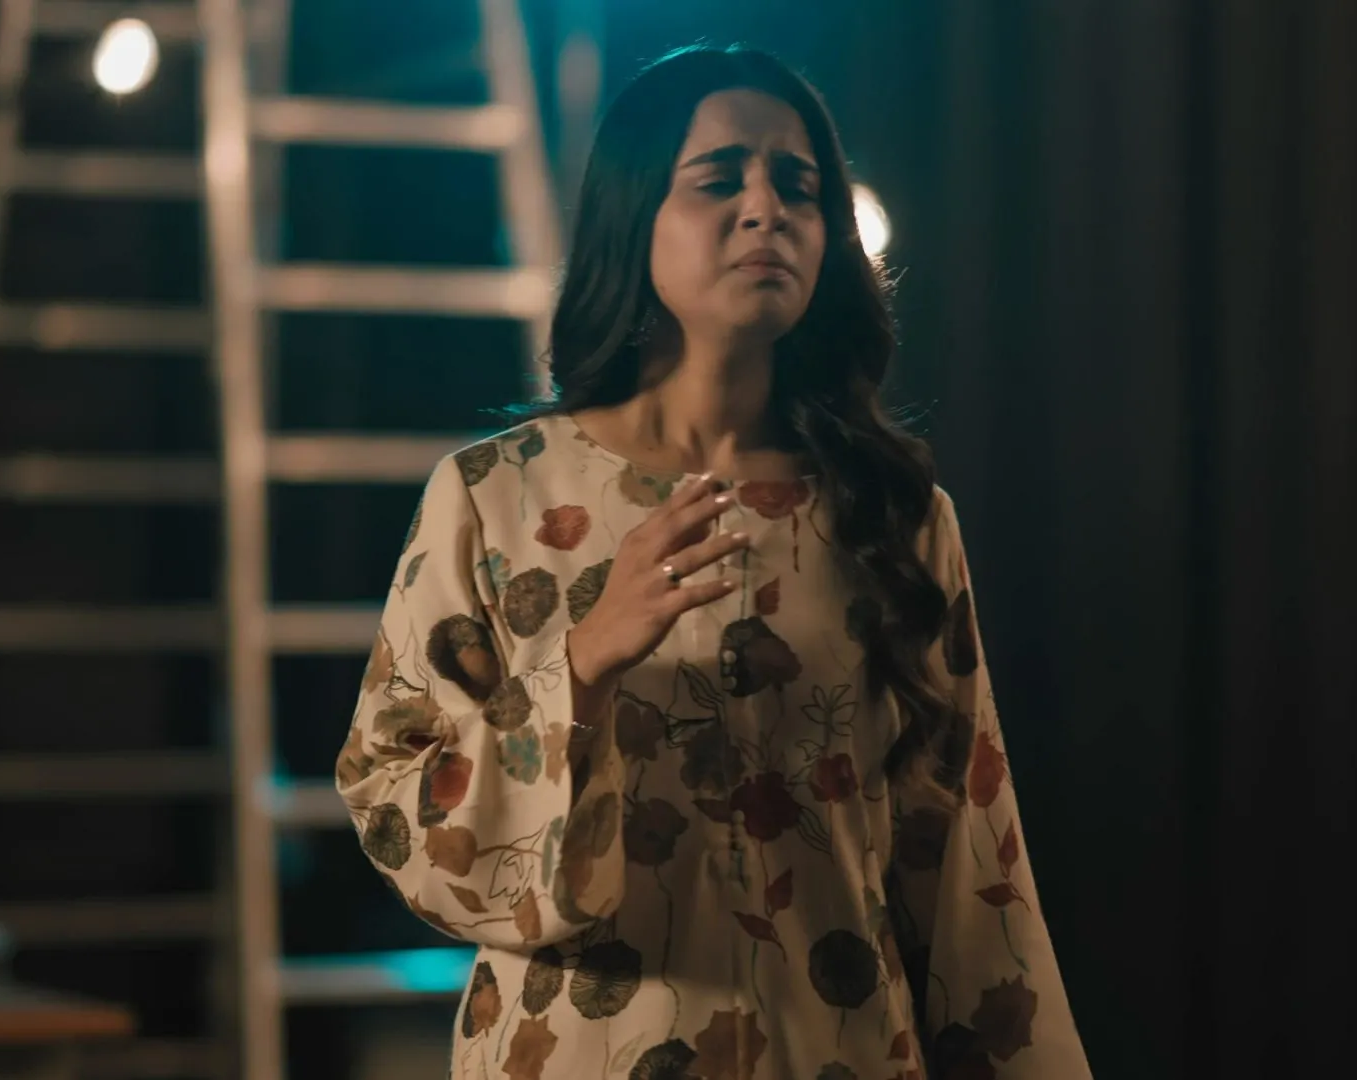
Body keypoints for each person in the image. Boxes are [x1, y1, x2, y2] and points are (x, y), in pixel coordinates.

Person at [335, 43, 1092, 1079]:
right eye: (720, 179)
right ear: (635, 211)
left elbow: (969, 870)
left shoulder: (893, 518)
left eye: (799, 185)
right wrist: (580, 666)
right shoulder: (495, 498)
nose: (766, 209)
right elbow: (392, 804)